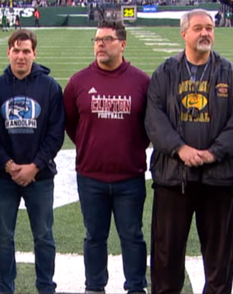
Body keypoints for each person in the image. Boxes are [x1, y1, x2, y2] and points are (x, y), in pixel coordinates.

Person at [145, 9, 233, 294]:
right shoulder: (166, 71)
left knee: (221, 261)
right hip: (173, 178)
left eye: (209, 27)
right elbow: (153, 118)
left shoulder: (228, 72)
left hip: (219, 179)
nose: (205, 33)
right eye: (198, 28)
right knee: (166, 258)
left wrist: (214, 152)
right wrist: (179, 148)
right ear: (184, 33)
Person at [63, 20, 150, 294]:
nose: (100, 44)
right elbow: (70, 122)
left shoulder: (141, 81)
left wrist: (129, 148)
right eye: (97, 39)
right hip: (91, 176)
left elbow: (150, 126)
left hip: (130, 177)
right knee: (94, 238)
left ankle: (136, 287)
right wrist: (91, 145)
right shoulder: (79, 81)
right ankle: (95, 287)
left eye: (107, 39)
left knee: (132, 237)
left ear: (122, 44)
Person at [0, 29, 64, 294]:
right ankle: (5, 286)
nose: (21, 56)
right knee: (2, 236)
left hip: (40, 177)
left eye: (26, 51)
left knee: (44, 237)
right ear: (8, 52)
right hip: (4, 177)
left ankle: (46, 286)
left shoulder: (50, 87)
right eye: (16, 50)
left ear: (34, 53)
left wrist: (35, 166)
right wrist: (7, 164)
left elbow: (55, 132)